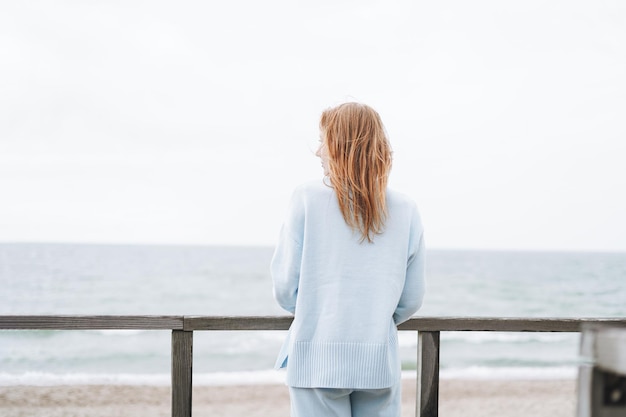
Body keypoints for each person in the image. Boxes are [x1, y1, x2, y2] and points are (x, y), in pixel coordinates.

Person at [271, 102, 426, 417]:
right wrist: (368, 320)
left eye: (323, 141)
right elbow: (411, 299)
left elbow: (286, 288)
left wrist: (320, 312)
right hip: (377, 357)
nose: (317, 152)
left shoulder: (306, 198)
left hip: (316, 355)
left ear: (340, 147)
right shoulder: (406, 208)